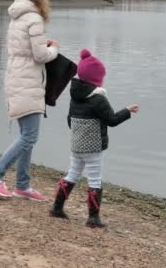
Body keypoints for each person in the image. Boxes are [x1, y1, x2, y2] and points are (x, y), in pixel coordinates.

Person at [0, 0, 60, 201]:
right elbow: (40, 55)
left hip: (16, 77)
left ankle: (22, 185)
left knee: (27, 135)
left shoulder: (17, 17)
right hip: (27, 81)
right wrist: (53, 49)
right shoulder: (34, 18)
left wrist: (42, 46)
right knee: (29, 137)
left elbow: (22, 49)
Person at [49, 49, 139, 228]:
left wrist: (79, 135)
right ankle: (93, 218)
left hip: (76, 145)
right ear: (96, 79)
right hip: (94, 147)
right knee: (95, 180)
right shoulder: (98, 99)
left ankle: (57, 208)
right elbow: (112, 120)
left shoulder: (74, 97)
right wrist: (127, 111)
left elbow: (69, 120)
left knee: (72, 174)